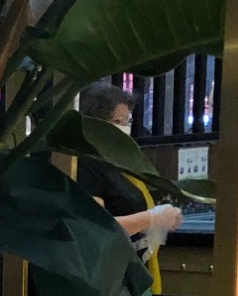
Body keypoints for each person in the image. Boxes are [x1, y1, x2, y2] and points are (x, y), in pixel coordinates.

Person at [75, 82, 182, 280]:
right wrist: (153, 218)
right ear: (94, 124)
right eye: (117, 122)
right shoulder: (85, 165)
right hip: (105, 277)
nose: (124, 128)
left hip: (128, 273)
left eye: (128, 121)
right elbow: (96, 228)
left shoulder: (119, 162)